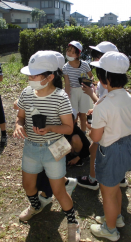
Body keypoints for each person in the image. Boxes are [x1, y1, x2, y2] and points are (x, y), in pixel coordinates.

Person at [13, 51, 80, 242]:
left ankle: (72, 222)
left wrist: (50, 127)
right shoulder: (26, 93)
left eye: (34, 75)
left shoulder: (60, 97)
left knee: (59, 191)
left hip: (53, 148)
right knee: (28, 185)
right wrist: (18, 125)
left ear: (50, 77)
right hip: (31, 147)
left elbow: (68, 128)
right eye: (29, 74)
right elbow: (21, 116)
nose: (29, 78)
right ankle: (36, 206)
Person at [88, 51, 131, 241]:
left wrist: (90, 125)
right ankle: (116, 217)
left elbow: (96, 136)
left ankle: (110, 230)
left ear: (105, 78)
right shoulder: (127, 96)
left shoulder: (104, 105)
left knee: (107, 193)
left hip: (111, 151)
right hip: (128, 146)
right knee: (115, 186)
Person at [77, 42, 128, 190]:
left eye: (99, 56)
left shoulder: (108, 82)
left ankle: (93, 180)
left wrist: (90, 94)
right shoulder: (111, 83)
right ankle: (121, 177)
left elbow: (103, 103)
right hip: (117, 125)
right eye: (96, 56)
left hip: (107, 124)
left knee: (95, 147)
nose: (96, 59)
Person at [63, 41, 93, 132]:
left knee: (83, 115)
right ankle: (74, 133)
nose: (69, 53)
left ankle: (83, 133)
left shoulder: (84, 64)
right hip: (72, 92)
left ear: (78, 54)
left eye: (72, 52)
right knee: (73, 115)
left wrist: (89, 82)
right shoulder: (65, 67)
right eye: (68, 51)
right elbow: (67, 83)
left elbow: (91, 75)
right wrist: (67, 95)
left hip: (83, 91)